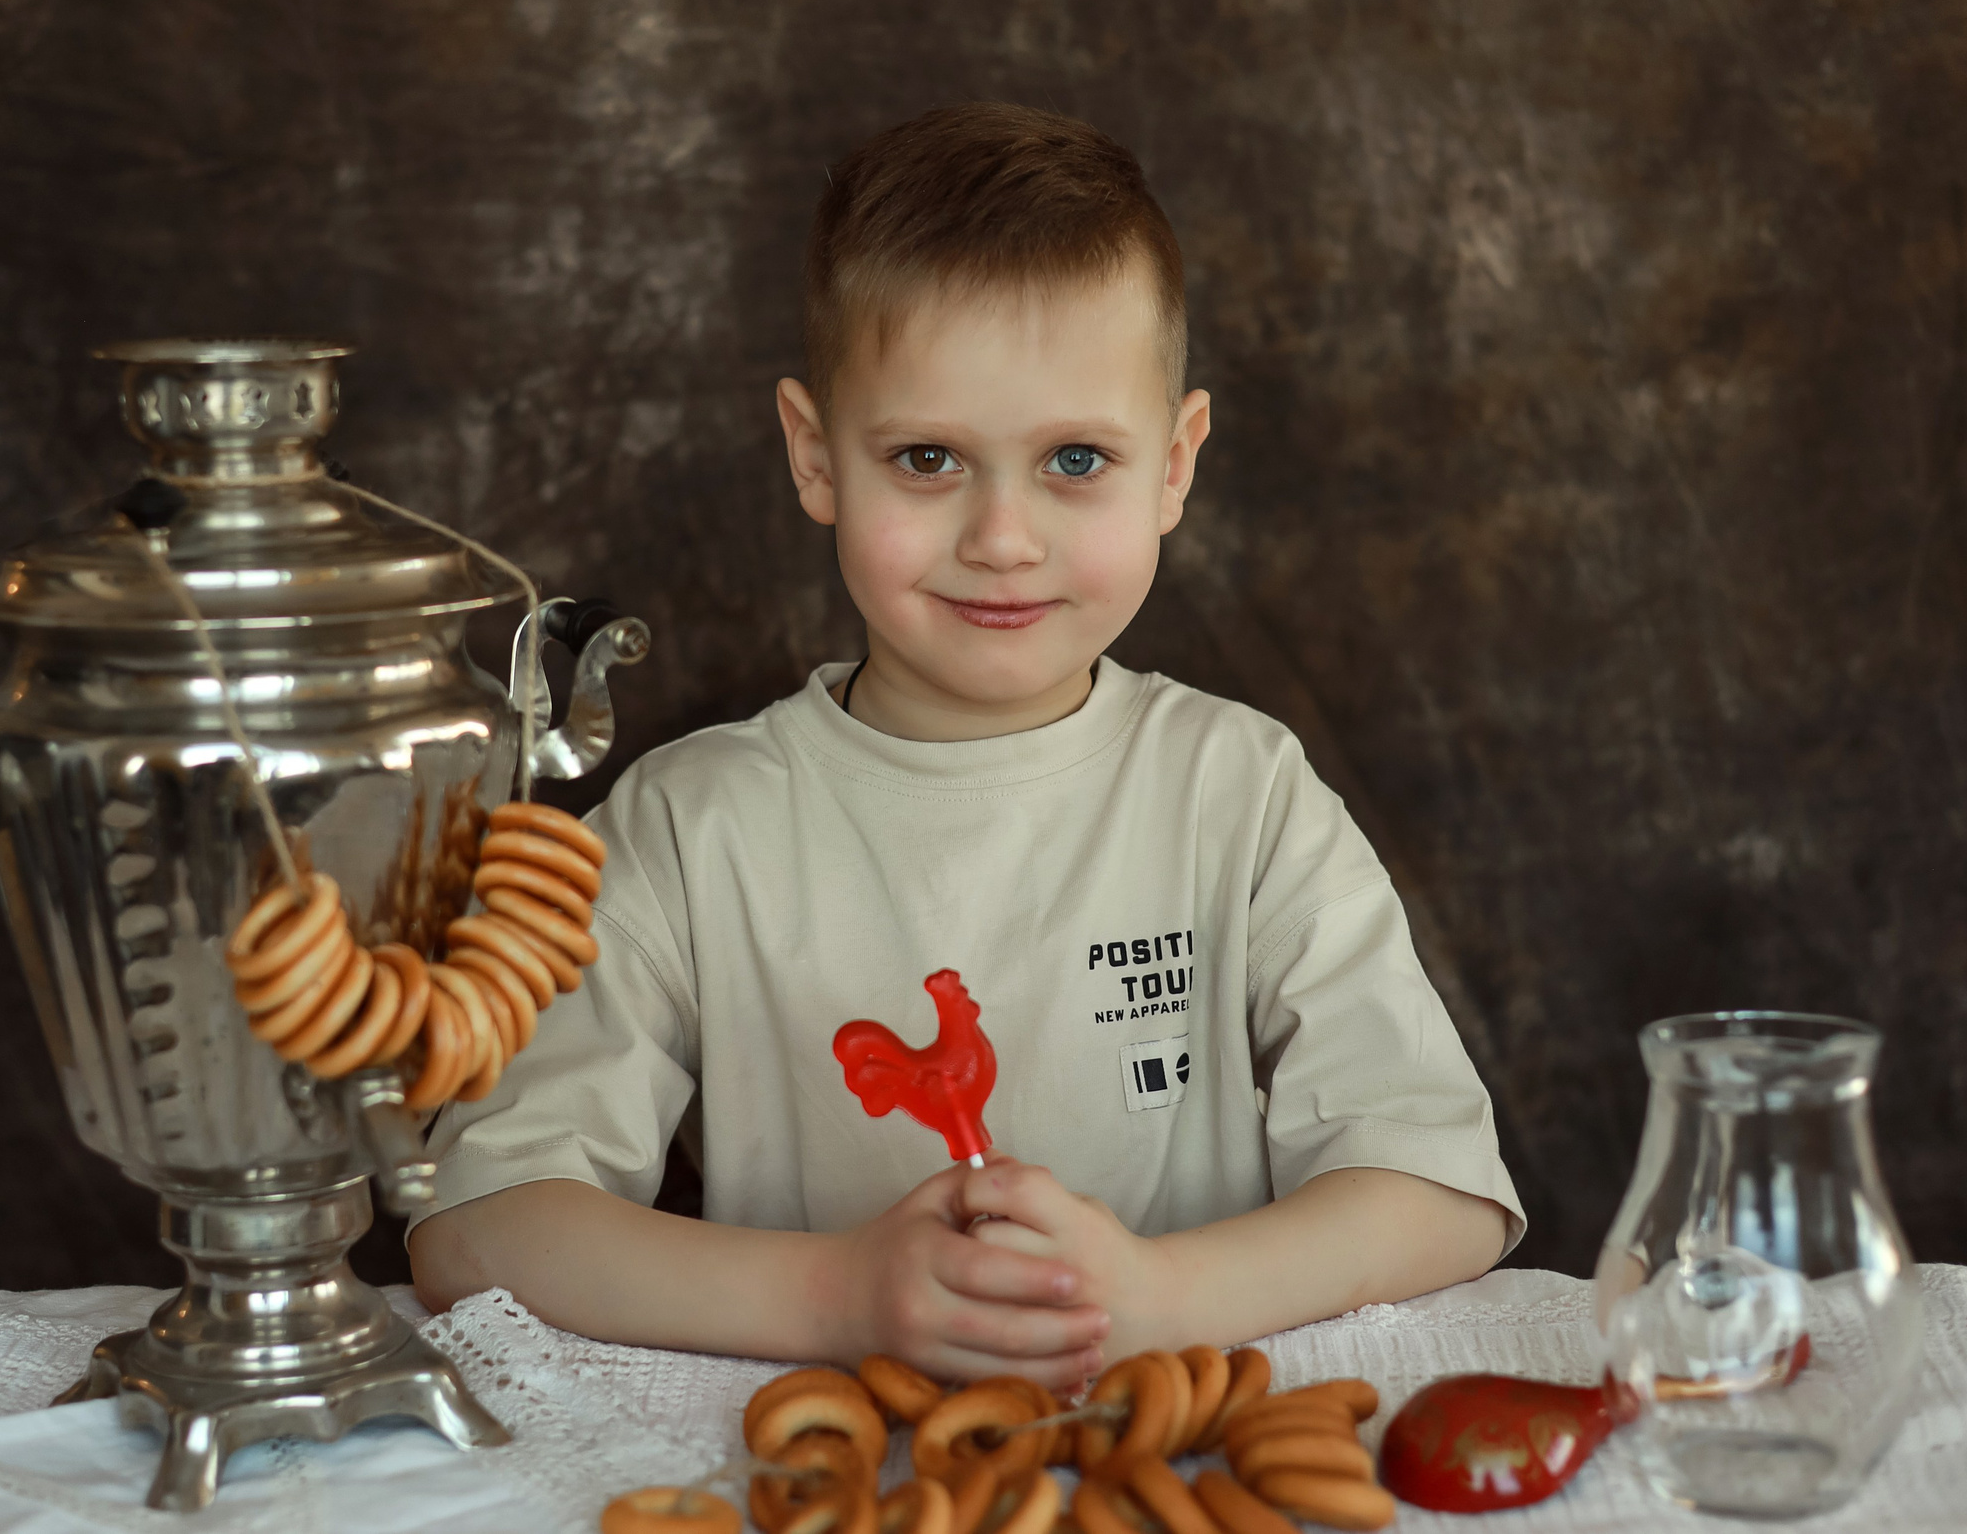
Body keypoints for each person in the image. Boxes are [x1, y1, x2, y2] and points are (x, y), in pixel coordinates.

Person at [409, 103, 1521, 1390]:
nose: (1003, 536)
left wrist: (1158, 1296)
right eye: (928, 458)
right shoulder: (688, 824)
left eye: (1075, 460)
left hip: (1177, 1460)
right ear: (816, 457)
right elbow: (478, 1226)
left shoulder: (1238, 792)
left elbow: (1441, 1191)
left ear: (1174, 463)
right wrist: (838, 1296)